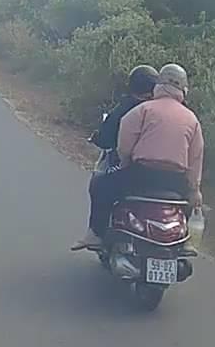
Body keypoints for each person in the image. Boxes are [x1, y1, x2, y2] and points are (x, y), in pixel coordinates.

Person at [74, 63, 205, 250]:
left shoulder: (142, 110)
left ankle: (95, 234)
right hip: (175, 181)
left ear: (158, 85)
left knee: (99, 184)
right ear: (184, 90)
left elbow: (124, 146)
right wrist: (194, 190)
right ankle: (185, 241)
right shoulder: (192, 119)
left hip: (141, 174)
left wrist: (125, 163)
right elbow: (196, 158)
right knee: (190, 203)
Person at [89, 64, 159, 159]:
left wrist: (97, 137)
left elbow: (105, 138)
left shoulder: (124, 107)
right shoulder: (158, 110)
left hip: (122, 161)